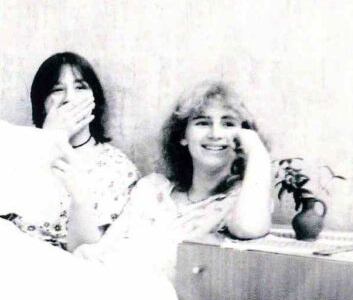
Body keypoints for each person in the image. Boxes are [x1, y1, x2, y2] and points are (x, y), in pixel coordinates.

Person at [76, 79, 272, 268]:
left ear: (244, 138)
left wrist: (257, 152)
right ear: (183, 136)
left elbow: (249, 227)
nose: (215, 134)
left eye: (228, 124)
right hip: (105, 278)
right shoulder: (151, 189)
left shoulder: (239, 203)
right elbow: (103, 248)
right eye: (202, 122)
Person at [3, 52, 140, 252]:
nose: (69, 98)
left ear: (95, 99)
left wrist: (79, 198)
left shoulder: (117, 167)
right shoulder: (19, 153)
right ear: (42, 103)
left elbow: (88, 252)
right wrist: (48, 141)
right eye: (57, 89)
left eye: (80, 87)